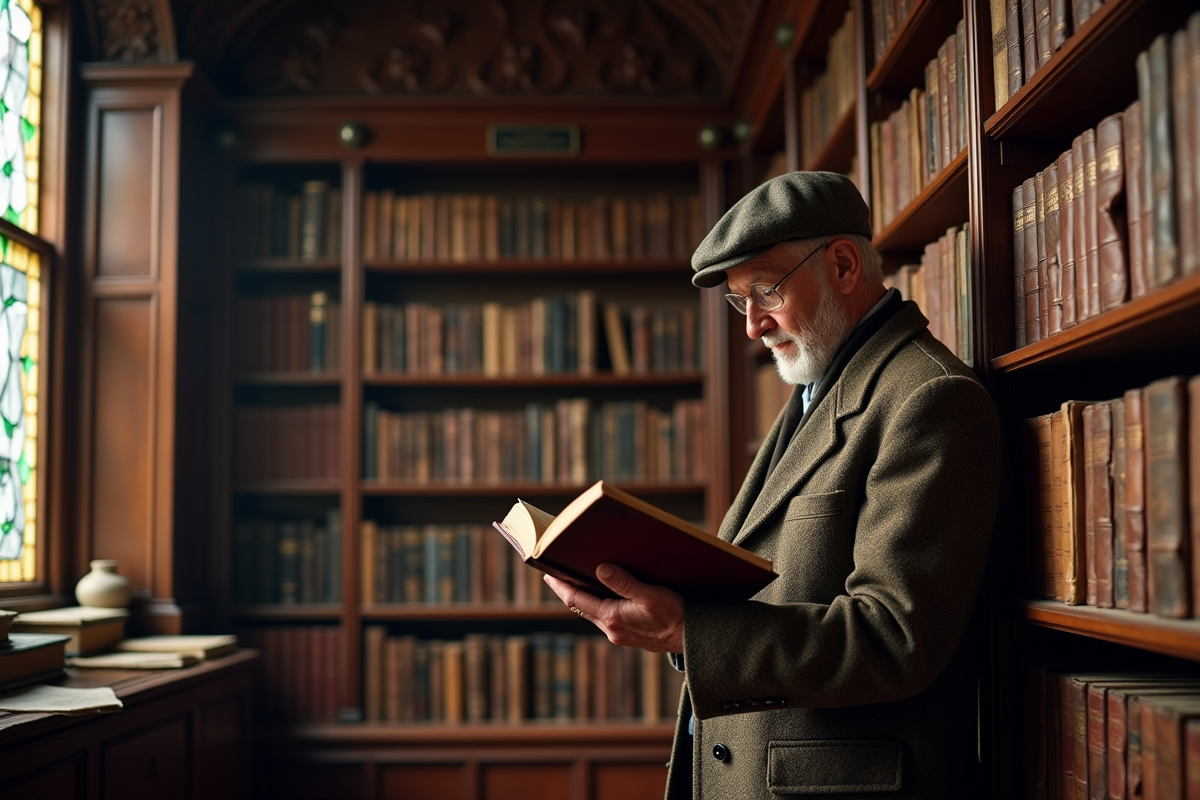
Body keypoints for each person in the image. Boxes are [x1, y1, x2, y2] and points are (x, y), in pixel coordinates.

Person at [544, 171, 1004, 799]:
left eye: (765, 291)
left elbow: (896, 638)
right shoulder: (822, 383)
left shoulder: (929, 399)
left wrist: (690, 632)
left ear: (842, 265)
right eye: (741, 301)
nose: (753, 326)